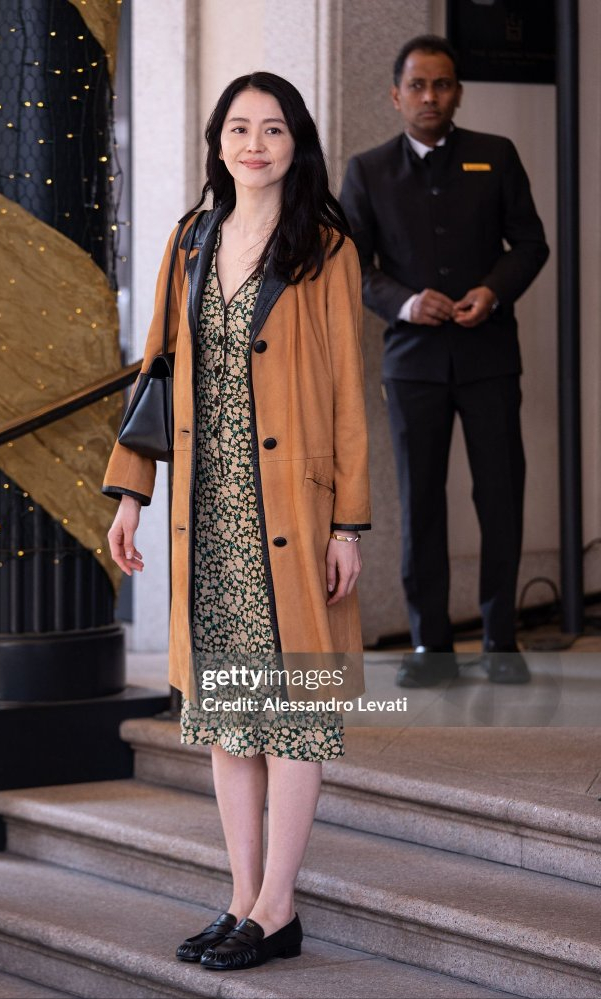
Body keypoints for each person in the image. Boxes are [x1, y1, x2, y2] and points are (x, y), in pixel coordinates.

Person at [103, 72, 370, 971]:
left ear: (298, 143)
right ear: (218, 141)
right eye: (239, 128)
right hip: (207, 514)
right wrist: (132, 492)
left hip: (292, 512)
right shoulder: (191, 238)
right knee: (228, 714)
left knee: (292, 713)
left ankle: (278, 906)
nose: (255, 145)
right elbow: (154, 372)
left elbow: (349, 395)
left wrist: (349, 525)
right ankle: (241, 897)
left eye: (274, 129)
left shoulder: (325, 247)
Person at [340, 35, 548, 688]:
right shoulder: (368, 169)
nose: (430, 96)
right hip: (412, 365)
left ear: (457, 92)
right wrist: (404, 303)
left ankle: (500, 640)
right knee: (421, 504)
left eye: (443, 84)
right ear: (395, 95)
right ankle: (430, 646)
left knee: (501, 497)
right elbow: (352, 266)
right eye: (418, 85)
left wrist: (492, 290)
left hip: (490, 358)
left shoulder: (496, 154)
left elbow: (531, 243)